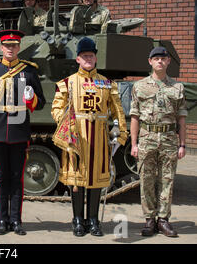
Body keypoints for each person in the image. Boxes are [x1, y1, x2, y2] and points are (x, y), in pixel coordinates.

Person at [51, 37, 127, 237]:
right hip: (76, 139)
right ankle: (77, 219)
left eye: (91, 56)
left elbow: (117, 111)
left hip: (99, 139)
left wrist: (120, 135)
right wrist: (67, 125)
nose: (88, 59)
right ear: (77, 59)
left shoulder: (107, 84)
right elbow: (56, 109)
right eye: (84, 56)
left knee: (96, 180)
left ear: (95, 58)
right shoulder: (67, 83)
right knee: (77, 180)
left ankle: (93, 220)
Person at [0, 29, 46, 235]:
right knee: (0, 179)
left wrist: (31, 98)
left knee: (17, 179)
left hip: (19, 131)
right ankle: (1, 220)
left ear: (19, 48)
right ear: (1, 47)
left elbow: (40, 102)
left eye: (14, 46)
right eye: (7, 45)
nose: (10, 49)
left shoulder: (29, 71)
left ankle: (16, 220)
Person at [130, 46, 187, 238]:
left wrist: (182, 144)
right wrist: (134, 144)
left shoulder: (177, 87)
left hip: (170, 139)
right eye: (156, 58)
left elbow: (181, 118)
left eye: (163, 58)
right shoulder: (139, 86)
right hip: (147, 138)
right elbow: (135, 117)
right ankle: (149, 220)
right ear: (150, 62)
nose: (160, 61)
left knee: (167, 180)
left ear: (168, 61)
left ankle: (163, 220)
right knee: (146, 179)